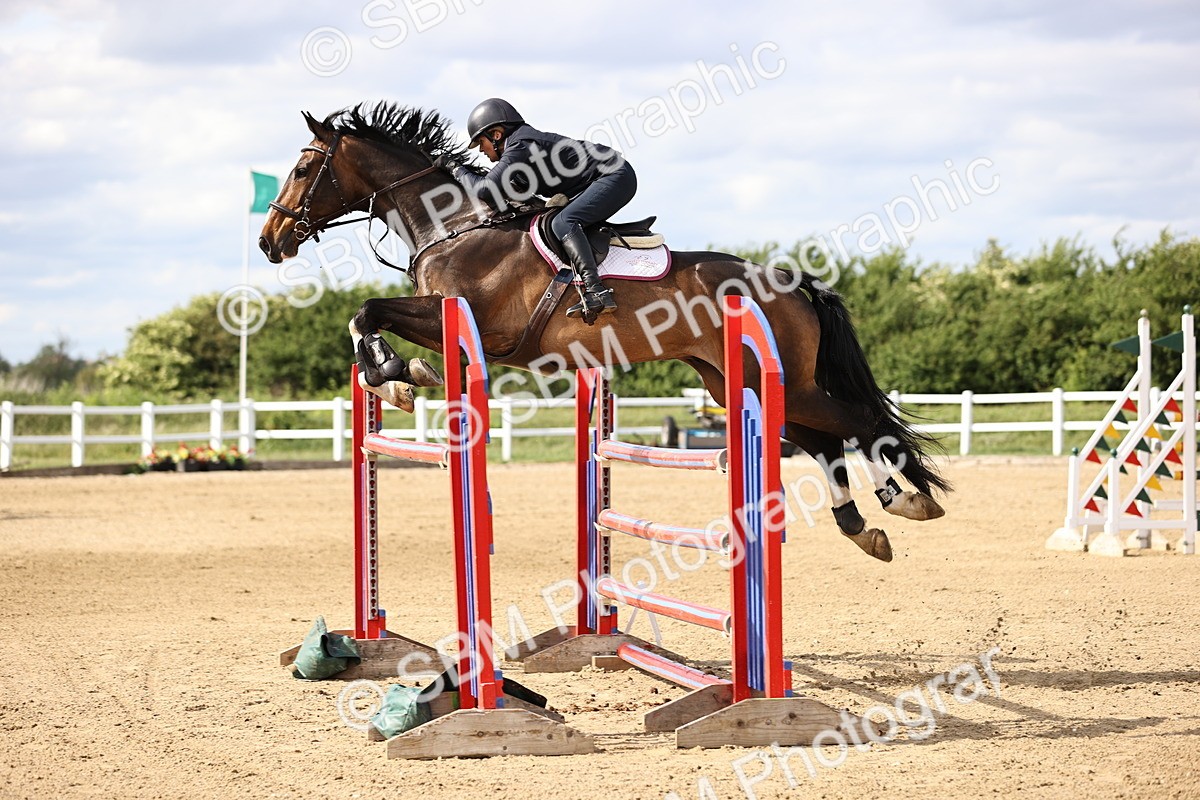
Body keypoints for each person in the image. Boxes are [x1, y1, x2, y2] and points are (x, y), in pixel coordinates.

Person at [452, 98, 637, 319]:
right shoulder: (519, 147)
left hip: (615, 175)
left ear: (497, 134)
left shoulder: (520, 145)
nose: (481, 150)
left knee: (563, 222)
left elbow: (485, 188)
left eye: (481, 142)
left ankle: (596, 290)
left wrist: (454, 169)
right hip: (600, 179)